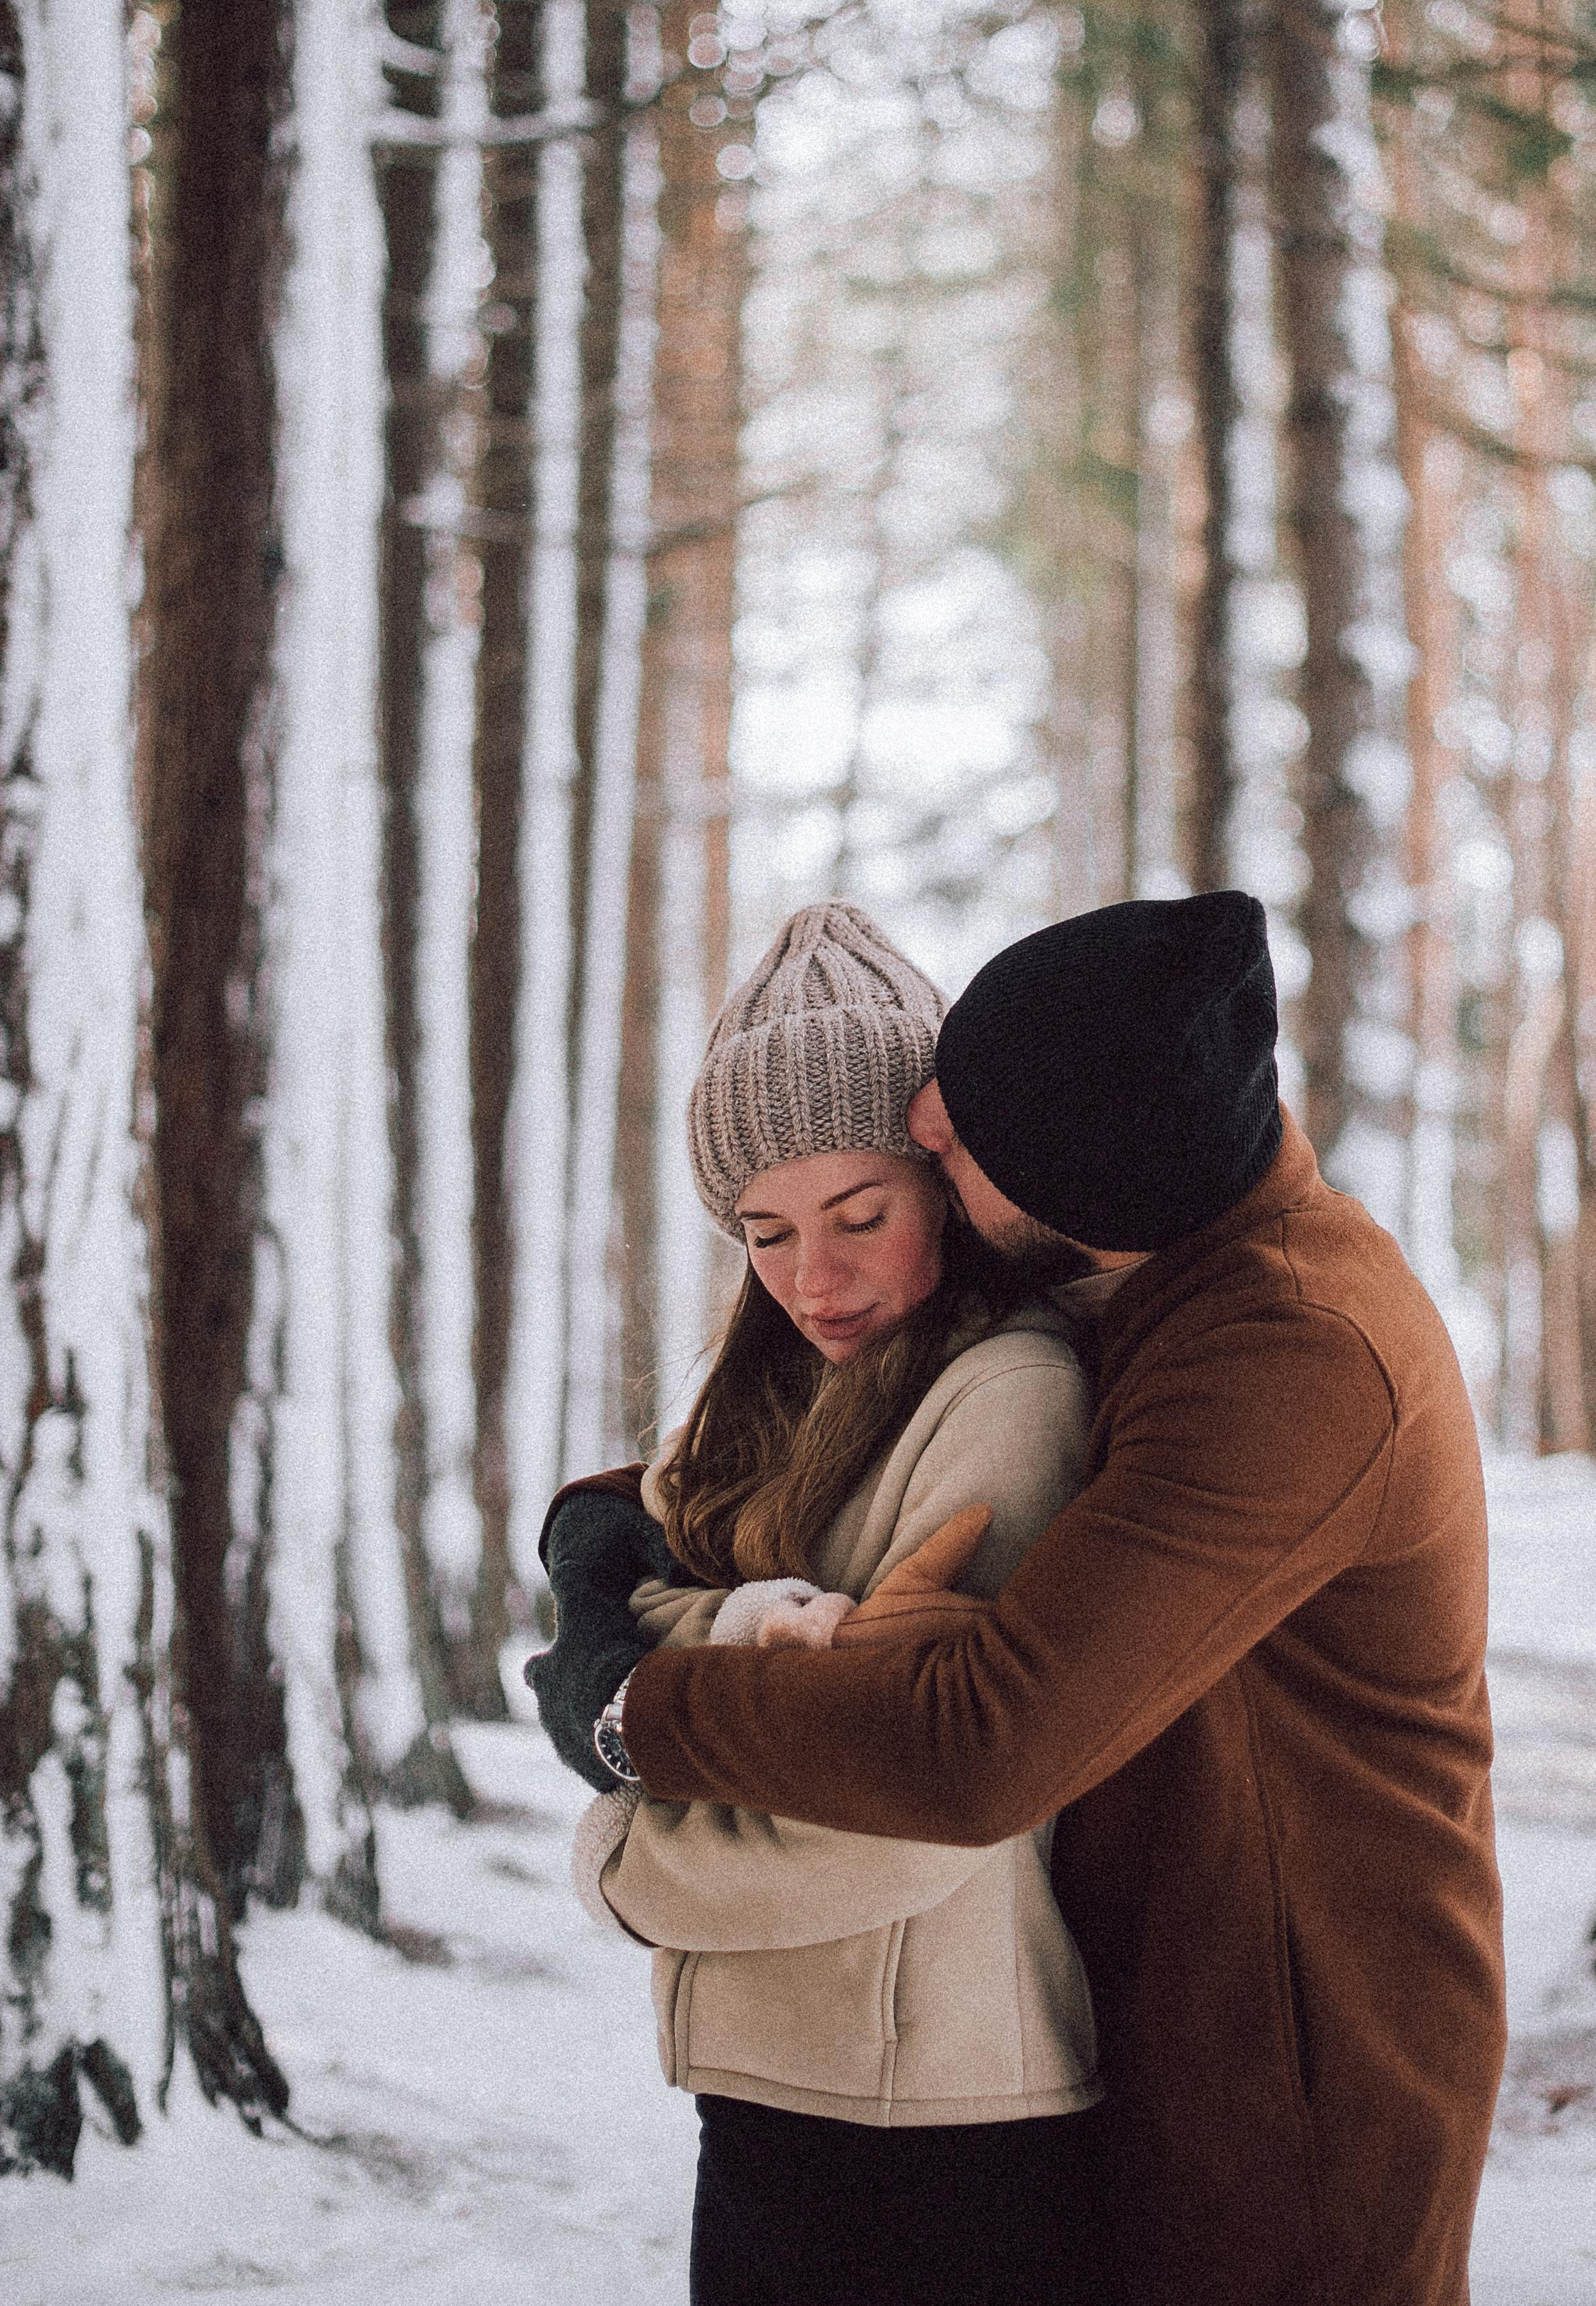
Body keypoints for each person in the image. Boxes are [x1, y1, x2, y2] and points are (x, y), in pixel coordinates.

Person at [534, 892, 1507, 2306]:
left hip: (1289, 2071)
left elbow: (973, 1745)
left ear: (1074, 1180)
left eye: (954, 1137)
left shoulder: (1287, 1350)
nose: (923, 1120)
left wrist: (629, 1704)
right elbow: (801, 1470)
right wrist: (607, 1536)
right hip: (1150, 2015)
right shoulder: (1160, 1269)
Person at [531, 902, 1105, 2306]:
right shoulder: (783, 1399)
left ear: (945, 1188)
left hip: (938, 2121)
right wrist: (733, 1629)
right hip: (787, 2085)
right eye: (764, 1233)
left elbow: (925, 1794)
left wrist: (626, 1862)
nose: (811, 1278)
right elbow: (653, 1576)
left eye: (859, 1216)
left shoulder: (1010, 1394)